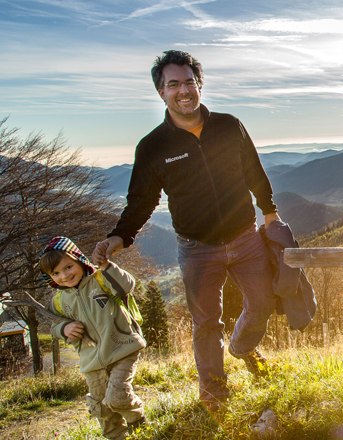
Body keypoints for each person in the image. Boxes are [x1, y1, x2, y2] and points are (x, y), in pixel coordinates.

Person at [91, 50, 281, 412]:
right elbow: (141, 200)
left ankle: (242, 348)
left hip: (245, 236)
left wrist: (270, 212)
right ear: (160, 92)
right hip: (197, 249)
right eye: (173, 84)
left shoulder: (229, 125)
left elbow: (254, 172)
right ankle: (213, 391)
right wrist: (120, 236)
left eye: (189, 82)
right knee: (207, 323)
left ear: (200, 85)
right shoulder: (153, 146)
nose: (183, 90)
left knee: (263, 303)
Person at [41, 236, 146, 439]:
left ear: (79, 260)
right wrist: (64, 328)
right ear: (49, 276)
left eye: (68, 267)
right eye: (56, 273)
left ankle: (137, 420)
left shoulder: (100, 279)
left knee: (117, 397)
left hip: (122, 347)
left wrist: (107, 266)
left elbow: (127, 286)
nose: (64, 275)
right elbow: (52, 325)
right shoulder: (60, 301)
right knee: (101, 408)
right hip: (91, 361)